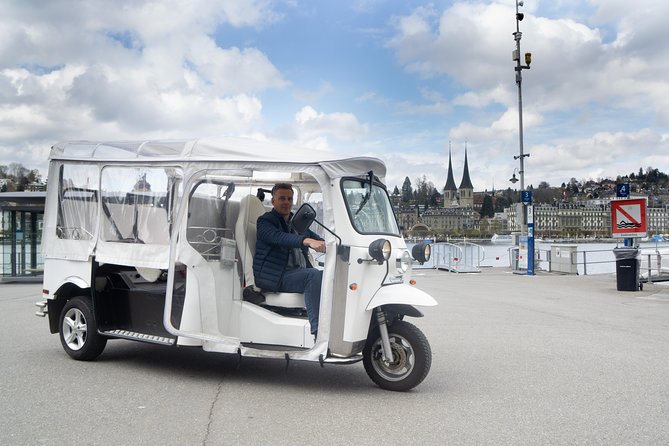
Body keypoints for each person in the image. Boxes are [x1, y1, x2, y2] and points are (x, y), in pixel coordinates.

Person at [252, 183, 325, 336]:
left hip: (295, 273)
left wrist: (334, 245)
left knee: (328, 275)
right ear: (273, 201)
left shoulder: (296, 222)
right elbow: (280, 238)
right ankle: (319, 331)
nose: (286, 202)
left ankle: (333, 325)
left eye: (290, 199)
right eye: (282, 198)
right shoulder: (265, 222)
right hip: (276, 277)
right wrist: (306, 241)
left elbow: (316, 239)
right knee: (312, 275)